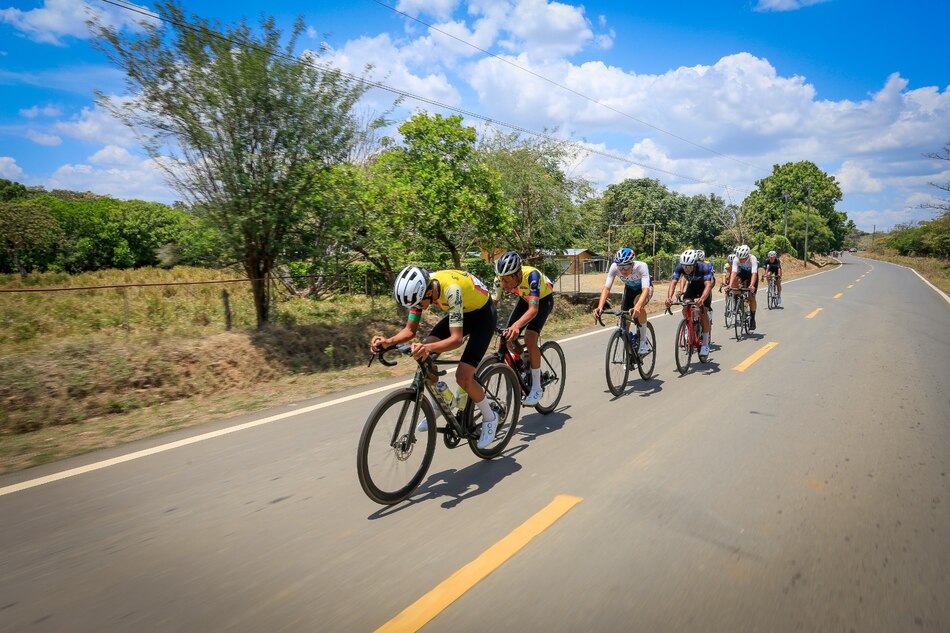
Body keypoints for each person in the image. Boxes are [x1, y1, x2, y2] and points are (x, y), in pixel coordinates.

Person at [370, 266, 499, 448]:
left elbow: (456, 340)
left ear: (429, 292)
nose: (417, 307)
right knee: (423, 356)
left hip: (483, 316)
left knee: (463, 377)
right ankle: (441, 401)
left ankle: (490, 417)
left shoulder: (451, 290)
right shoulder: (420, 289)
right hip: (463, 311)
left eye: (418, 304)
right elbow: (409, 330)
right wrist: (388, 342)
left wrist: (426, 348)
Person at [493, 251, 555, 406]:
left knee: (530, 338)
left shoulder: (532, 276)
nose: (504, 283)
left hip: (543, 300)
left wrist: (517, 325)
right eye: (501, 278)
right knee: (507, 337)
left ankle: (536, 387)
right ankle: (523, 361)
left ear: (518, 274)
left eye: (508, 278)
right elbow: (492, 306)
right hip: (524, 298)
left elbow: (533, 310)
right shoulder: (500, 279)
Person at [593, 247, 653, 355]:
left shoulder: (641, 266)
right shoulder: (614, 267)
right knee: (624, 322)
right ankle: (630, 351)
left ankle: (643, 341)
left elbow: (645, 290)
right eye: (620, 267)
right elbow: (606, 288)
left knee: (637, 304)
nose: (623, 270)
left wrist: (638, 306)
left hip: (644, 289)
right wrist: (600, 306)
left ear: (632, 264)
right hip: (629, 290)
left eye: (626, 266)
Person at [666, 249, 714, 357]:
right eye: (684, 266)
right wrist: (669, 298)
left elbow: (708, 285)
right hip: (692, 286)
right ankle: (689, 325)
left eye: (689, 266)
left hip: (704, 288)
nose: (686, 269)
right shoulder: (680, 266)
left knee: (703, 312)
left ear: (695, 264)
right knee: (685, 305)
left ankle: (705, 344)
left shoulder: (704, 267)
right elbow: (673, 282)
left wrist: (702, 299)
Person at [728, 244, 759, 330]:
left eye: (743, 259)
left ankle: (752, 318)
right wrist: (730, 285)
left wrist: (751, 285)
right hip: (742, 273)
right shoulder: (736, 258)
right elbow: (733, 273)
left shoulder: (753, 259)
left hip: (751, 275)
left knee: (751, 297)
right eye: (739, 258)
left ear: (747, 256)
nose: (741, 260)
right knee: (735, 281)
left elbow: (754, 274)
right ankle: (737, 298)